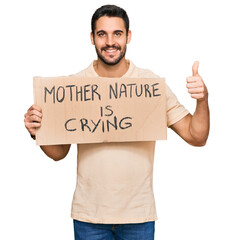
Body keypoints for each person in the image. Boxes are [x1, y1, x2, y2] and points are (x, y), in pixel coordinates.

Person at [24, 4, 210, 240]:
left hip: (138, 217)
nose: (110, 41)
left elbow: (197, 136)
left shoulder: (150, 85)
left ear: (128, 36)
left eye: (117, 34)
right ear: (92, 38)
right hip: (89, 217)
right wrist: (36, 132)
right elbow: (59, 153)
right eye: (102, 34)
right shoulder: (73, 87)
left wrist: (202, 100)